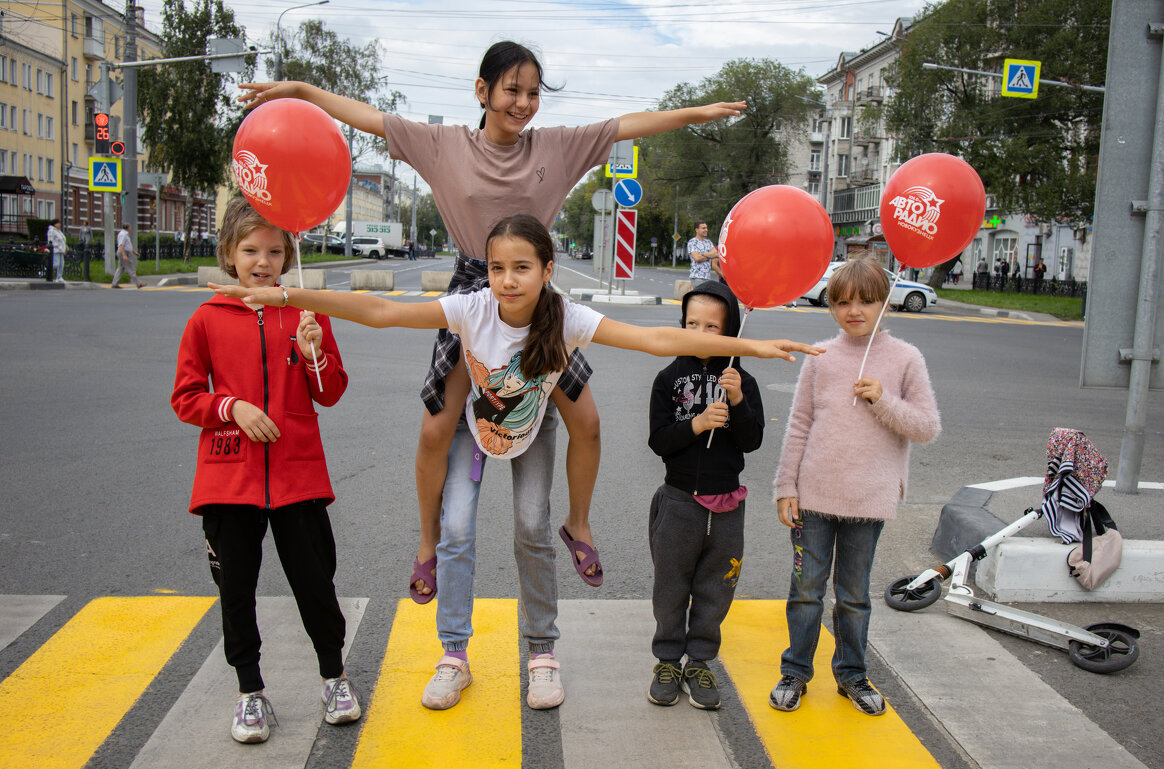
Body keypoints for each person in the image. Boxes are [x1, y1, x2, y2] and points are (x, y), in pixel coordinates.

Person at [210, 213, 821, 712]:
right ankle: (454, 655)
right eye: (498, 267)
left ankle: (542, 655)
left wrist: (750, 346)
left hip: (533, 429)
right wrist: (284, 292)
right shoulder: (473, 308)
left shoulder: (567, 317)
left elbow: (657, 339)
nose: (507, 280)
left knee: (532, 528)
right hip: (479, 429)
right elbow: (380, 310)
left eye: (521, 268)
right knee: (455, 530)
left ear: (547, 271)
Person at [239, 42, 747, 604]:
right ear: (483, 91)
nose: (524, 103)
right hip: (470, 298)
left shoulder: (556, 146)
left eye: (533, 93)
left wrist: (697, 114)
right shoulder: (442, 144)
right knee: (436, 428)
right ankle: (428, 543)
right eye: (513, 90)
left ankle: (578, 524)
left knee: (590, 422)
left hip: (539, 304)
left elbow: (629, 124)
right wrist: (302, 92)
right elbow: (367, 117)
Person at [172, 196, 361, 744]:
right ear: (229, 254)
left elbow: (330, 394)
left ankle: (335, 677)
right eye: (251, 249)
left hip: (298, 475)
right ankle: (249, 693)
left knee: (315, 584)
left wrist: (312, 353)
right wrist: (233, 408)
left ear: (288, 255)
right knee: (236, 591)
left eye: (276, 250)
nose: (264, 261)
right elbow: (186, 398)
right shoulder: (206, 318)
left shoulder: (305, 310)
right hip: (229, 478)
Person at [768, 255, 940, 717]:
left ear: (886, 302)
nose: (854, 310)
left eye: (866, 301)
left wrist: (883, 400)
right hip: (814, 497)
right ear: (831, 307)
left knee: (854, 596)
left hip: (869, 498)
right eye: (842, 302)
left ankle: (851, 674)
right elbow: (799, 425)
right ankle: (795, 671)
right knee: (806, 589)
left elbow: (926, 427)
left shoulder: (905, 359)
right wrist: (787, 486)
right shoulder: (821, 358)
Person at [646, 280, 764, 711]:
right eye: (692, 322)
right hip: (679, 502)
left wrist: (736, 402)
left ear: (730, 330)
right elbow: (658, 440)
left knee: (717, 588)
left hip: (728, 504)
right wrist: (695, 425)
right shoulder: (667, 377)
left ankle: (699, 661)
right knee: (670, 587)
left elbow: (751, 441)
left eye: (712, 326)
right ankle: (666, 661)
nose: (700, 332)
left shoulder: (741, 378)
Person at [686, 222, 723, 287]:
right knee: (700, 296)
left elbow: (716, 254)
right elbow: (697, 258)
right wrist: (710, 255)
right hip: (697, 277)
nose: (706, 230)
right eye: (703, 228)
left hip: (707, 277)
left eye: (706, 228)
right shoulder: (692, 242)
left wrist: (703, 253)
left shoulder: (708, 242)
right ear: (697, 230)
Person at [112, 223, 145, 289]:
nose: (131, 228)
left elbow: (127, 246)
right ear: (127, 228)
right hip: (123, 253)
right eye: (130, 227)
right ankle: (138, 283)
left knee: (120, 269)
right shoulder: (123, 234)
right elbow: (121, 245)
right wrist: (124, 255)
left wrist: (134, 252)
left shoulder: (125, 234)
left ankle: (114, 283)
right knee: (130, 268)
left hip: (124, 252)